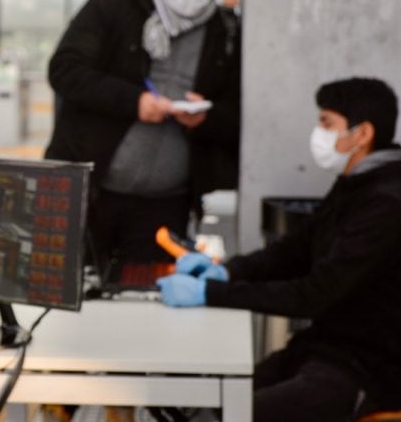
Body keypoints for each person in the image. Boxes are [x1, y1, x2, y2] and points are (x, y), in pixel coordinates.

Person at [157, 77, 401, 421]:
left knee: (237, 415)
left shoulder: (387, 203)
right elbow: (295, 250)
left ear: (362, 134)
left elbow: (315, 294)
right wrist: (228, 270)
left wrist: (211, 292)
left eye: (327, 123)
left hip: (367, 369)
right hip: (323, 347)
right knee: (210, 404)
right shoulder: (355, 182)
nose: (318, 133)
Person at [45, 0, 241, 287]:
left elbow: (241, 115)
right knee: (67, 294)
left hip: (165, 208)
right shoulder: (115, 4)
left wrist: (205, 119)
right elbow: (65, 70)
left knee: (145, 301)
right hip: (89, 193)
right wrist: (134, 102)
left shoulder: (225, 32)